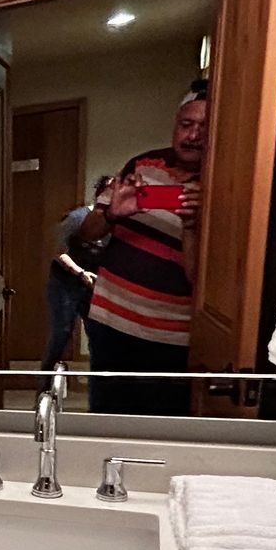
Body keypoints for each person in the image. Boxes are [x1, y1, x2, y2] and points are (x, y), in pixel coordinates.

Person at [76, 81, 208, 415]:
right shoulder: (142, 165)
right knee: (104, 416)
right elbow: (86, 233)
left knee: (158, 429)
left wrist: (193, 225)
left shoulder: (221, 184)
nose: (193, 135)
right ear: (175, 125)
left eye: (204, 127)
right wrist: (112, 213)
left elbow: (201, 282)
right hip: (110, 322)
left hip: (171, 337)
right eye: (187, 124)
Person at [41, 178, 113, 372]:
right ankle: (45, 389)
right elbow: (57, 251)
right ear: (100, 194)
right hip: (65, 283)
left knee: (99, 337)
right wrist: (80, 273)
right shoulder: (77, 217)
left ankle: (99, 391)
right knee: (62, 334)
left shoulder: (117, 224)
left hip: (94, 286)